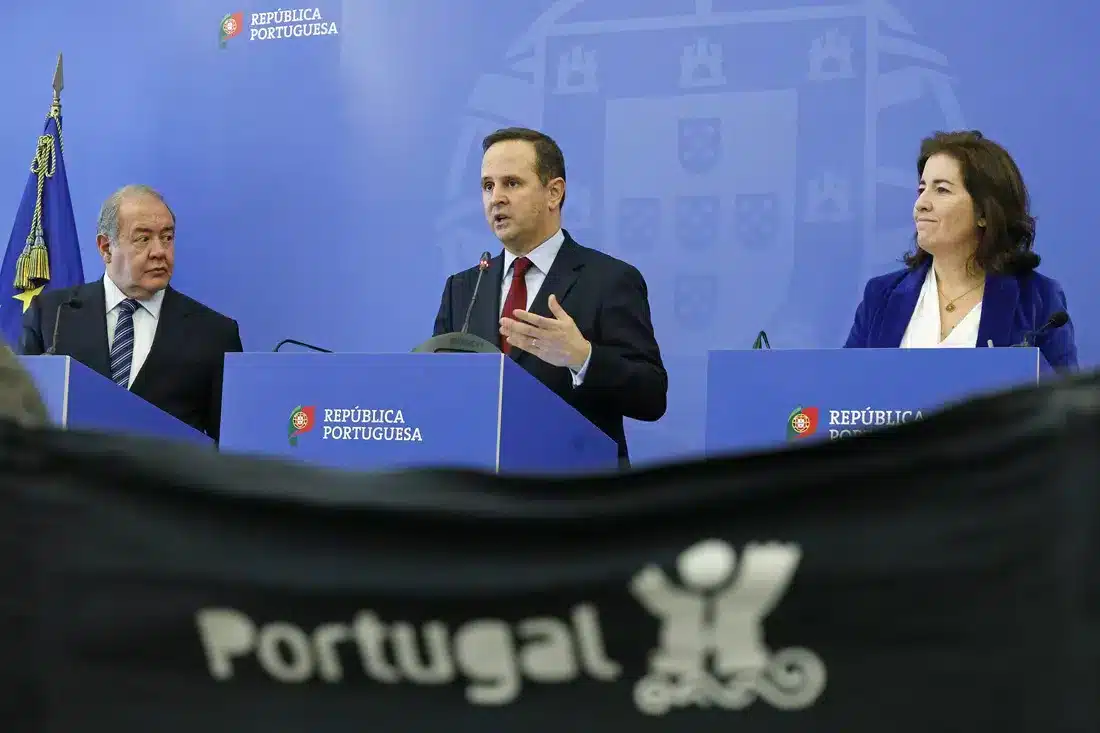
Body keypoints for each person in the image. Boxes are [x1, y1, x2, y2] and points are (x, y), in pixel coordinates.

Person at [432, 127, 667, 465]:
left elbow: (652, 397)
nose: (496, 197)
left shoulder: (610, 280)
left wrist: (583, 358)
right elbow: (438, 392)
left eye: (512, 183)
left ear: (554, 193)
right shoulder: (464, 288)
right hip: (481, 495)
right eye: (487, 185)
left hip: (574, 498)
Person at [20, 184, 243, 439]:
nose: (159, 251)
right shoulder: (51, 316)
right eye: (143, 239)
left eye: (167, 237)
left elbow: (230, 446)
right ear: (106, 248)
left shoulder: (214, 333)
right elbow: (19, 420)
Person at [844, 130, 1077, 370]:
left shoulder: (1037, 300)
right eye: (921, 189)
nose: (921, 204)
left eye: (941, 190)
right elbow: (845, 386)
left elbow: (1062, 400)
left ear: (984, 212)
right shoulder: (881, 296)